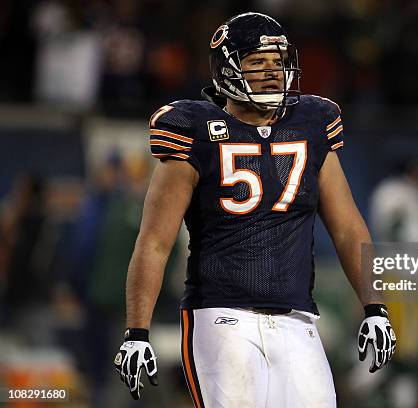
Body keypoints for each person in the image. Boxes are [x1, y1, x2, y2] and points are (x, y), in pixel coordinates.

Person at [113, 12, 396, 408]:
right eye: (257, 62)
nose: (272, 72)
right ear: (227, 69)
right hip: (221, 316)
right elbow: (155, 242)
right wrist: (137, 332)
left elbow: (348, 227)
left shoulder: (311, 123)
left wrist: (375, 306)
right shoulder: (193, 129)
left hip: (298, 318)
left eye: (277, 61)